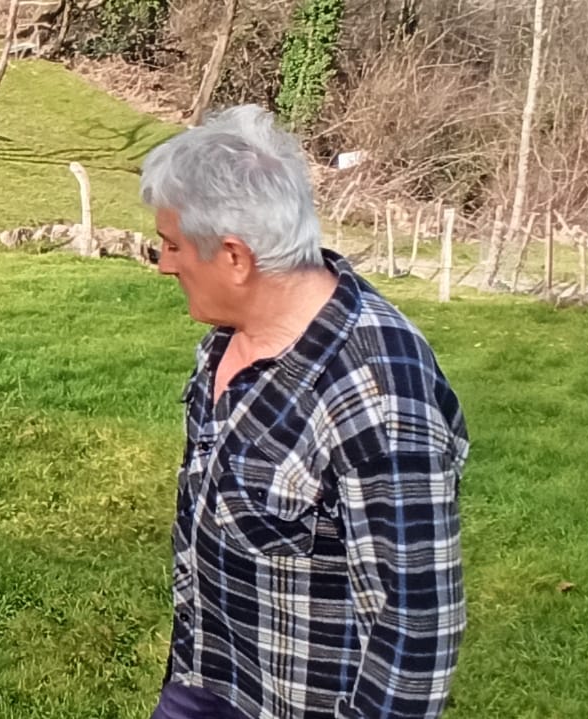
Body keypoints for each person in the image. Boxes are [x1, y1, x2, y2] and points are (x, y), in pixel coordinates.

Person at [138, 106, 470, 719]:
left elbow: (416, 629)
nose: (163, 264)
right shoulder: (230, 337)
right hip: (206, 671)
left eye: (173, 245)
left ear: (235, 258)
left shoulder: (380, 395)